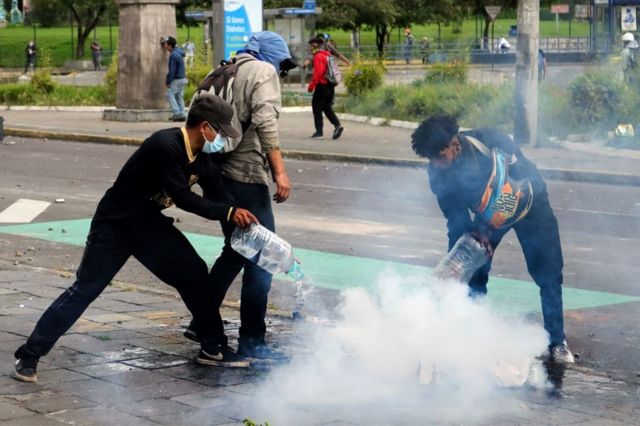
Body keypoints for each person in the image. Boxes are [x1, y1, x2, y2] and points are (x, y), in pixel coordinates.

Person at [12, 94, 260, 383]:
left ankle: (213, 347)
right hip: (115, 226)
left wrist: (238, 214)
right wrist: (229, 212)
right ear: (205, 126)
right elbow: (182, 197)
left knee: (194, 274)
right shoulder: (165, 145)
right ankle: (29, 355)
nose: (220, 139)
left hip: (149, 226)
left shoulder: (203, 157)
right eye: (218, 131)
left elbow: (217, 190)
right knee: (86, 289)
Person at [410, 114, 575, 364]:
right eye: (431, 159)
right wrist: (461, 256)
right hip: (487, 218)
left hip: (529, 203)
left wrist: (490, 225)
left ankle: (557, 341)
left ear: (455, 143)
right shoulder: (437, 172)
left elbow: (525, 180)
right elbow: (455, 217)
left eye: (440, 156)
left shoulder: (491, 141)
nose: (438, 164)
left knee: (548, 272)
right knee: (471, 270)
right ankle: (476, 336)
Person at [186, 31, 298, 362]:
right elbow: (266, 122)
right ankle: (252, 340)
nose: (282, 73)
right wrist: (280, 171)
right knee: (262, 257)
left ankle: (201, 320)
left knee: (236, 251)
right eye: (283, 65)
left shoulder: (220, 71)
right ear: (271, 57)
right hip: (245, 176)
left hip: (214, 174)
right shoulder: (262, 71)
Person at [307, 37, 344, 140]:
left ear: (316, 45)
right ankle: (337, 125)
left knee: (317, 108)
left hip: (321, 86)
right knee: (327, 107)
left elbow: (318, 74)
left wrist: (311, 86)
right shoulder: (328, 55)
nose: (311, 48)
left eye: (312, 45)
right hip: (330, 86)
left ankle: (319, 133)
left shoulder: (319, 56)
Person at [161, 36, 188, 122]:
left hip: (177, 79)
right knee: (179, 96)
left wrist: (168, 81)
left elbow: (172, 70)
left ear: (169, 45)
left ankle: (176, 113)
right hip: (183, 78)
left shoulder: (173, 55)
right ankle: (182, 114)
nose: (164, 45)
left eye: (165, 44)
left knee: (170, 94)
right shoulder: (179, 52)